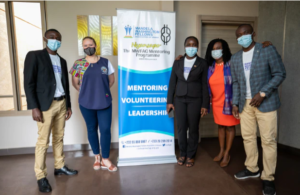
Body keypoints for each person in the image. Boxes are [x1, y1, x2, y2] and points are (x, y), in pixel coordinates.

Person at [175, 39, 272, 168]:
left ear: (224, 49)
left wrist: (262, 46)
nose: (216, 51)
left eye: (218, 48)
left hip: (229, 102)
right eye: (213, 49)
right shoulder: (210, 66)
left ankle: (227, 153)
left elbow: (248, 59)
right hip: (216, 101)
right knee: (220, 127)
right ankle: (221, 151)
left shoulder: (232, 63)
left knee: (230, 127)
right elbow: (203, 82)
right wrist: (182, 58)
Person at [231, 24, 286, 195]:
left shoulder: (266, 49)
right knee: (247, 138)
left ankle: (268, 177)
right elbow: (236, 82)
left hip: (265, 103)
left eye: (245, 33)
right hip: (245, 104)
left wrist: (262, 93)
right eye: (239, 35)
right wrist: (235, 103)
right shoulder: (235, 58)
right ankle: (252, 168)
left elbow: (280, 73)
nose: (242, 36)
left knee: (268, 141)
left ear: (253, 34)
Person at [24, 29, 78, 193]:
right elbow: (29, 83)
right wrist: (34, 107)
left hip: (61, 103)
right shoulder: (35, 56)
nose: (55, 40)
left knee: (59, 137)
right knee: (43, 142)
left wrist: (68, 105)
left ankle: (59, 166)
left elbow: (65, 85)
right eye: (52, 37)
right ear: (45, 38)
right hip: (45, 106)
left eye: (58, 38)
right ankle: (41, 176)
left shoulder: (62, 60)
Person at [69, 36, 117, 172]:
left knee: (105, 129)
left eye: (90, 44)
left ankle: (105, 159)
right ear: (82, 47)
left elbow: (111, 80)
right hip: (86, 103)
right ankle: (97, 157)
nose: (88, 47)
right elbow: (75, 83)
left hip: (104, 101)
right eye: (85, 45)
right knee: (91, 129)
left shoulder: (105, 62)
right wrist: (86, 92)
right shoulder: (79, 63)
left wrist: (101, 91)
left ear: (95, 46)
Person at [167, 36, 209, 167]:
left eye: (194, 44)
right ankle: (183, 153)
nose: (191, 47)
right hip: (179, 99)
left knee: (193, 129)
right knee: (181, 128)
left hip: (195, 100)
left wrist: (205, 104)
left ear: (197, 47)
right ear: (185, 46)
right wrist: (169, 101)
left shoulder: (202, 63)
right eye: (189, 44)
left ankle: (191, 155)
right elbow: (172, 82)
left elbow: (204, 85)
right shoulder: (178, 62)